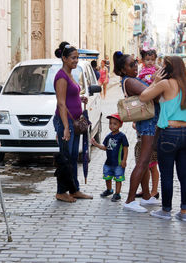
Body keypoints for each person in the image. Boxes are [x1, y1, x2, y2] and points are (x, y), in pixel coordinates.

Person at [139, 56, 186, 221]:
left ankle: (166, 211)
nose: (160, 67)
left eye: (163, 65)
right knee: (185, 175)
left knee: (167, 175)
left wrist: (155, 81)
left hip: (170, 133)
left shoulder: (165, 84)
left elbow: (143, 97)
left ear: (168, 68)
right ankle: (184, 213)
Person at [113, 51, 160, 213]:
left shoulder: (132, 79)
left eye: (135, 63)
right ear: (123, 69)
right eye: (131, 65)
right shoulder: (130, 81)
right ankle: (130, 199)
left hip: (148, 123)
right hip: (147, 124)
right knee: (143, 161)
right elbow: (152, 95)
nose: (136, 66)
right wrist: (158, 81)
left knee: (145, 162)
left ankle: (146, 196)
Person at [53, 41, 93, 203]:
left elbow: (70, 96)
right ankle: (61, 191)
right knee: (65, 157)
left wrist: (79, 98)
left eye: (77, 58)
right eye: (72, 58)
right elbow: (61, 103)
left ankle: (74, 189)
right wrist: (65, 129)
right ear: (64, 58)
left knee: (73, 156)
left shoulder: (71, 74)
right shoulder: (61, 76)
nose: (76, 61)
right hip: (66, 122)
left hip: (75, 121)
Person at [91, 113, 129, 202]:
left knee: (118, 178)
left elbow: (125, 148)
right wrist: (96, 144)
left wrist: (124, 160)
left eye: (115, 124)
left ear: (120, 125)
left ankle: (117, 193)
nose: (112, 125)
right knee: (107, 177)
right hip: (108, 162)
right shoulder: (108, 136)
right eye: (110, 123)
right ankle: (109, 190)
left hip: (118, 163)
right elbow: (105, 147)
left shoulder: (122, 136)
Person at [133, 122, 160, 199]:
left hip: (152, 142)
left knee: (153, 167)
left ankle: (154, 191)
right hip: (141, 141)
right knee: (144, 168)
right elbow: (134, 123)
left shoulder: (157, 112)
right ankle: (145, 190)